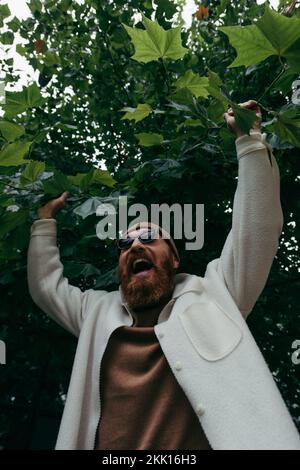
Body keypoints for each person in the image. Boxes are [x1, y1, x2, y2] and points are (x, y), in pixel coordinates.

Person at [27, 101, 300, 450]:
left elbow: (256, 229)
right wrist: (44, 223)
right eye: (125, 243)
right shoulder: (94, 312)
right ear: (120, 266)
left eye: (149, 238)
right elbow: (45, 287)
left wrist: (249, 141)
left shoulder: (217, 294)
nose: (135, 246)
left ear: (173, 259)